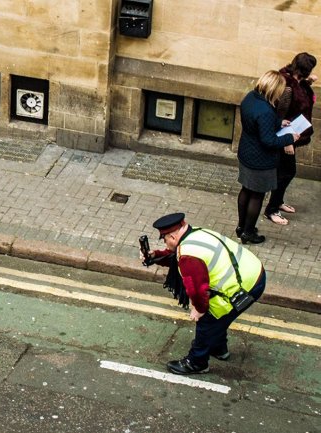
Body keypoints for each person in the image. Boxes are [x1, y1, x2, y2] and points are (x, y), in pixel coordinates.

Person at [142, 213, 267, 375]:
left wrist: (199, 309)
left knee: (208, 320)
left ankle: (197, 362)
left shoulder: (188, 254)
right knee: (220, 318)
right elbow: (177, 257)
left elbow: (196, 289)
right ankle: (218, 348)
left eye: (164, 239)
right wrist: (155, 256)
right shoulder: (197, 233)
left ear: (172, 236)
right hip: (255, 273)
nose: (165, 243)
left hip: (244, 287)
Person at [236, 70, 299, 244]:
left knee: (246, 190)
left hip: (246, 153)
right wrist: (289, 138)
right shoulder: (266, 110)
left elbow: (257, 124)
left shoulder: (251, 97)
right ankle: (249, 233)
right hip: (260, 160)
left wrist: (278, 123)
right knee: (257, 196)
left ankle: (241, 227)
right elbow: (268, 141)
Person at [264, 53, 317, 225]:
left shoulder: (295, 80)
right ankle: (271, 209)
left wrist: (307, 83)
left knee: (286, 172)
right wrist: (287, 141)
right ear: (304, 70)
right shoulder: (287, 87)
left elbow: (298, 95)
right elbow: (281, 115)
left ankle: (277, 202)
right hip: (286, 137)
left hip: (293, 135)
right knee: (286, 172)